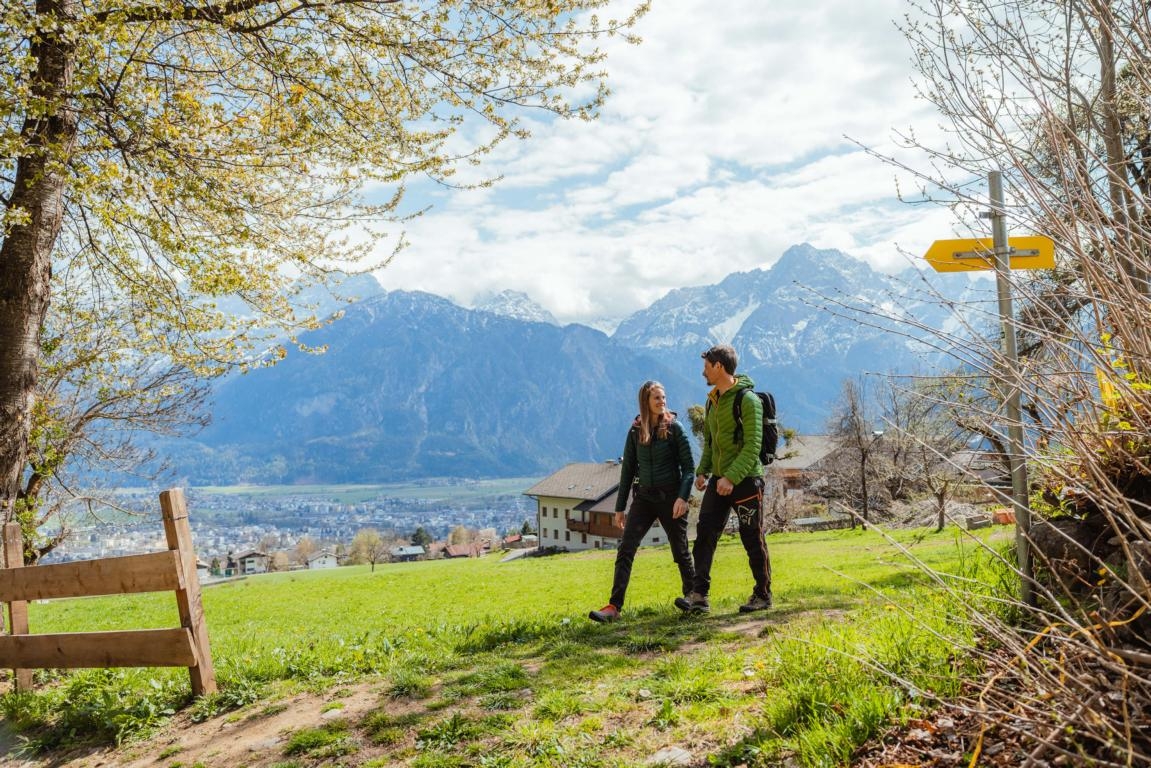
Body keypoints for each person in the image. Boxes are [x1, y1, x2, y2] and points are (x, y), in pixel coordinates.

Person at [676, 344, 773, 614]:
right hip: (718, 480)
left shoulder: (748, 400)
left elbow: (753, 445)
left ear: (719, 366)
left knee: (751, 536)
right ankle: (699, 596)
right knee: (705, 533)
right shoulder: (713, 400)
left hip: (745, 480)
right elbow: (710, 443)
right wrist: (703, 471)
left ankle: (763, 594)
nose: (702, 372)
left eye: (706, 366)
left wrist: (730, 477)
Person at [589, 380, 696, 622]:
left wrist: (682, 497)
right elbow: (627, 471)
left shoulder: (675, 428)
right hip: (644, 498)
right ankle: (613, 608)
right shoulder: (635, 432)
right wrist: (619, 508)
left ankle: (694, 597)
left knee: (680, 551)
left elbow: (689, 468)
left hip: (671, 497)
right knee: (625, 549)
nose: (662, 401)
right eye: (656, 398)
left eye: (664, 397)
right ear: (646, 402)